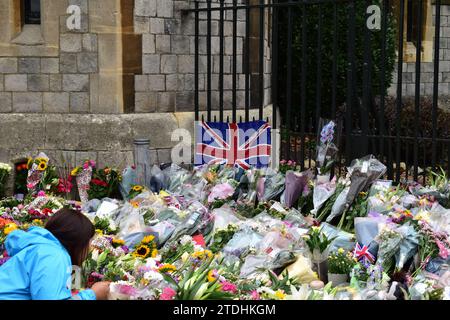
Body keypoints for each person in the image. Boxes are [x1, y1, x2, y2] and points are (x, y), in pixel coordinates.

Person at [0, 208, 110, 300]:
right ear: (78, 241)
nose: (90, 248)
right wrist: (92, 294)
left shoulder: (44, 248)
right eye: (89, 242)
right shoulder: (52, 256)